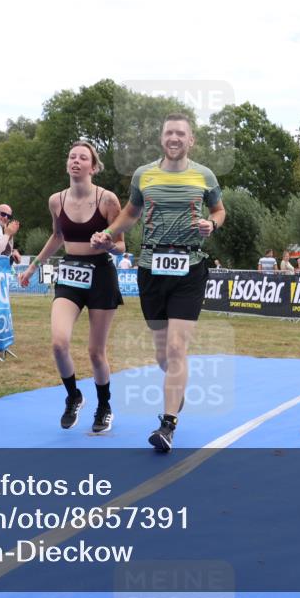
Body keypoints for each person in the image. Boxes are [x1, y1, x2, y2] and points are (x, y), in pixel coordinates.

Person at [91, 113, 226, 453]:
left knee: (178, 348)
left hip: (190, 267)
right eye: (169, 133)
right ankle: (175, 389)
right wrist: (108, 233)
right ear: (161, 138)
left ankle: (167, 424)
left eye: (181, 133)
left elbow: (219, 211)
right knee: (163, 354)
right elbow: (130, 213)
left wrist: (212, 224)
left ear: (191, 140)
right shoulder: (144, 175)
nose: (174, 138)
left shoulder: (204, 175)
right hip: (151, 268)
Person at [18, 140, 125, 433]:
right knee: (58, 343)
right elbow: (57, 237)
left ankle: (104, 406)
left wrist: (108, 244)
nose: (76, 161)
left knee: (96, 352)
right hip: (70, 274)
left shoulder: (107, 200)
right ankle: (73, 396)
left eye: (83, 158)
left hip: (101, 275)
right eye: (72, 156)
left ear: (93, 167)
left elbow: (122, 247)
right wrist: (33, 266)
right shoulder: (56, 201)